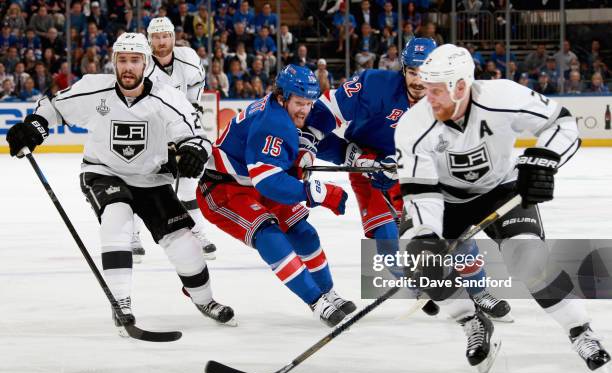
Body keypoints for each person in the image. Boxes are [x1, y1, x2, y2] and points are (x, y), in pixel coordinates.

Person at [395, 43, 610, 373]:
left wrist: (544, 161)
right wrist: (425, 235)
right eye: (427, 89)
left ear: (461, 86)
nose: (429, 98)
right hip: (445, 200)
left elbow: (562, 124)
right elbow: (421, 192)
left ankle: (580, 331)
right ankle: (472, 323)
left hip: (501, 191)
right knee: (421, 257)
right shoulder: (413, 126)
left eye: (437, 91)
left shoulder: (504, 97)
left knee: (528, 259)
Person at [5, 33, 236, 334]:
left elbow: (194, 136)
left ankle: (205, 300)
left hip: (152, 179)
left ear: (146, 64)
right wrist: (35, 126)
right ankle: (122, 303)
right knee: (117, 215)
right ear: (114, 62)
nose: (128, 67)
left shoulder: (168, 98)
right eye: (122, 60)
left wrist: (193, 150)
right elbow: (54, 107)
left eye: (135, 61)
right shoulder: (93, 88)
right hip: (103, 172)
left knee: (185, 244)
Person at [305, 38, 512, 320]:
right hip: (368, 166)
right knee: (387, 241)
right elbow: (325, 110)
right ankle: (419, 284)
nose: (418, 80)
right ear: (403, 69)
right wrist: (316, 145)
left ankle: (479, 292)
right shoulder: (372, 84)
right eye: (412, 72)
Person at [196, 65, 355, 327]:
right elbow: (268, 181)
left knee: (303, 231)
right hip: (223, 188)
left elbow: (306, 139)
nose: (305, 109)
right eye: (299, 102)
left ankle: (328, 292)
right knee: (268, 234)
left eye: (309, 103)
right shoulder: (271, 121)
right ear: (282, 97)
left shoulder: (284, 112)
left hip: (251, 184)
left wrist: (336, 152)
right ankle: (316, 301)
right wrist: (319, 193)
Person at [143, 17, 217, 261]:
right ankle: (131, 236)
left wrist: (184, 127)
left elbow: (195, 92)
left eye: (166, 36)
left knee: (188, 179)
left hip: (182, 125)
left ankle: (197, 232)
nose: (162, 41)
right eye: (157, 36)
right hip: (150, 126)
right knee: (138, 180)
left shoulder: (189, 58)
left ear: (173, 37)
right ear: (149, 39)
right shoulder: (141, 62)